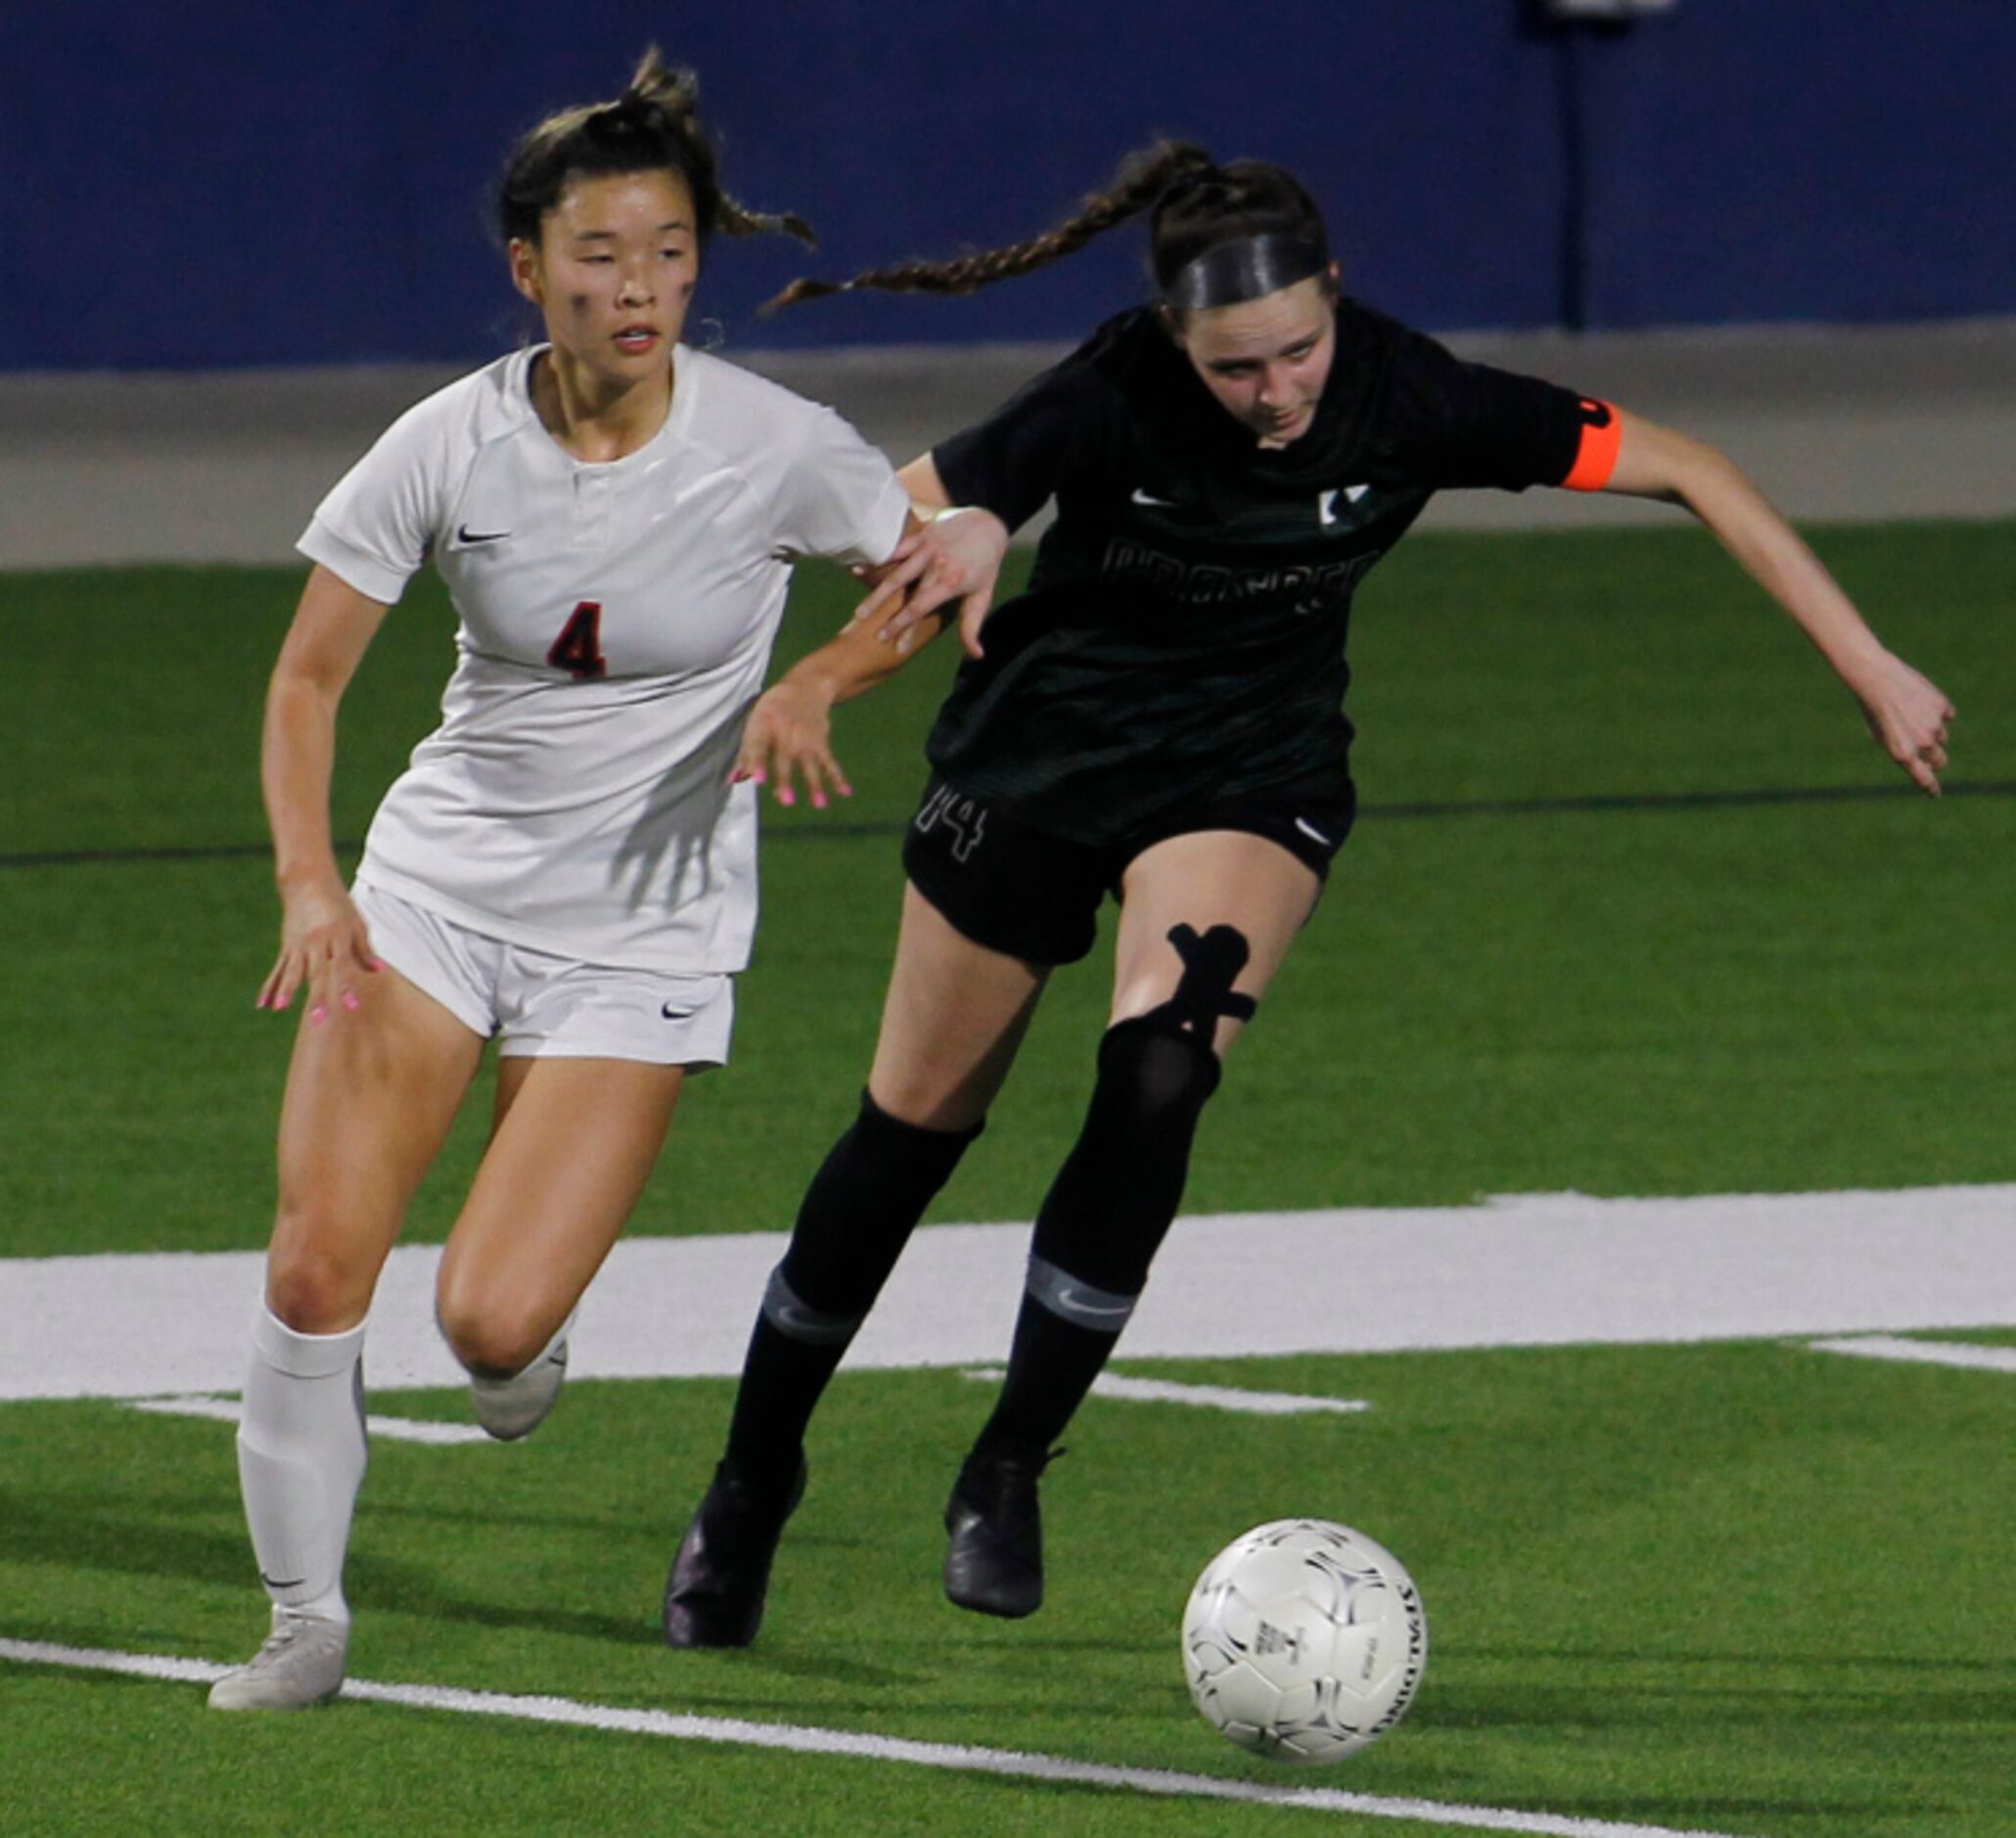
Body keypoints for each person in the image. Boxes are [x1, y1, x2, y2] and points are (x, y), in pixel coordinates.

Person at [661, 143, 1956, 1647]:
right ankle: (753, 1477)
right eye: (1233, 367)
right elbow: (915, 531)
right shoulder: (1105, 394)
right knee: (905, 1144)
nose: (1275, 391)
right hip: (1036, 771)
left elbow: (1686, 465)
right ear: (1170, 340)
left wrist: (1867, 662)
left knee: (1160, 1073)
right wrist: (846, 647)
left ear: (1337, 299)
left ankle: (1009, 1458)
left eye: (1298, 351)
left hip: (1245, 777)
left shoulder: (1414, 395)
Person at [208, 50, 967, 1711]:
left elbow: (929, 567)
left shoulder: (773, 445)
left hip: (646, 932)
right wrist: (309, 884)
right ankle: (303, 1621)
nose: (643, 287)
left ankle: (521, 1313)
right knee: (314, 1266)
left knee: (486, 1325)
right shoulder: (448, 441)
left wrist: (820, 677)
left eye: (674, 251)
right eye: (604, 255)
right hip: (434, 892)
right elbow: (304, 682)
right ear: (528, 267)